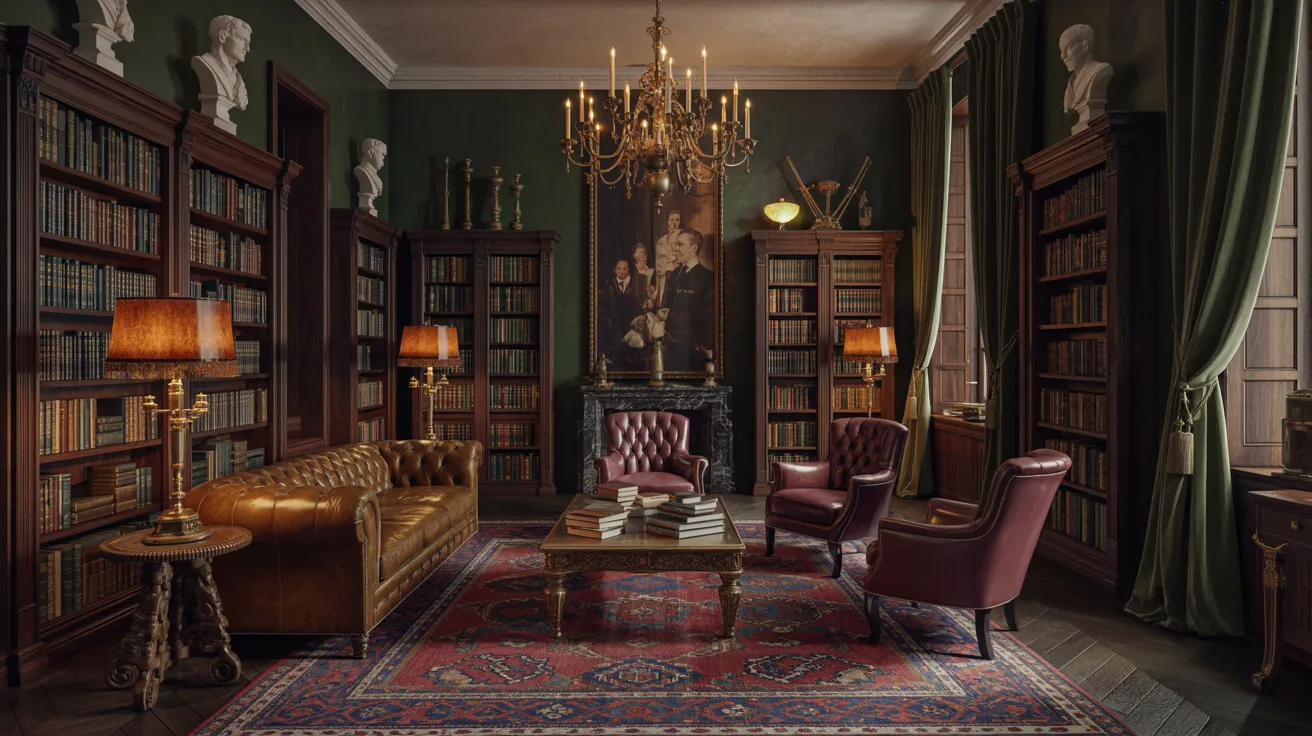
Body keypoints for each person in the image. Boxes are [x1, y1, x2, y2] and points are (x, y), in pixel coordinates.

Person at [662, 228, 714, 364]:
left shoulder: (708, 277)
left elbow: (708, 317)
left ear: (694, 248)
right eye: (675, 244)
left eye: (680, 245)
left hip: (692, 349)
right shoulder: (674, 274)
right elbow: (667, 306)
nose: (675, 249)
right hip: (670, 344)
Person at [600, 259, 642, 344]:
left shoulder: (636, 284)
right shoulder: (609, 286)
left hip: (632, 327)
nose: (621, 271)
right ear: (615, 270)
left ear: (628, 269)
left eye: (624, 268)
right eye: (618, 269)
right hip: (614, 329)